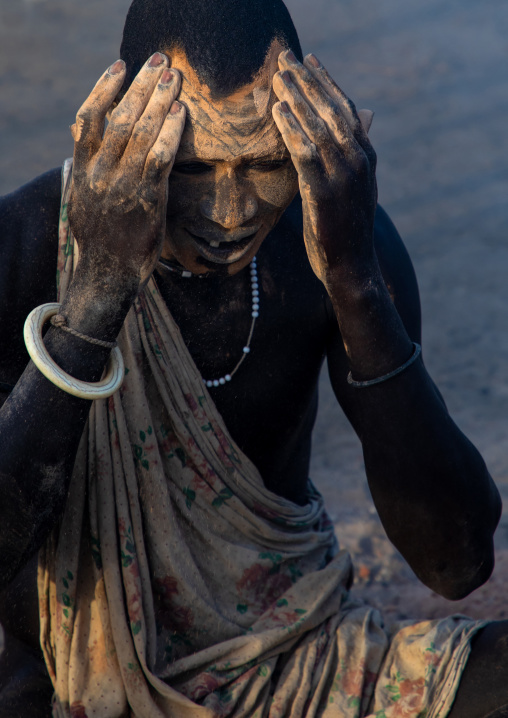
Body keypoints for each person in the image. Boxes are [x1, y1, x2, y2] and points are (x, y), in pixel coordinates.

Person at [0, 0, 507, 715]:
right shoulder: (23, 248)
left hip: (296, 654)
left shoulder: (331, 234)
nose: (231, 212)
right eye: (194, 168)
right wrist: (94, 299)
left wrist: (356, 283)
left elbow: (458, 564)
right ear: (120, 128)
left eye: (266, 163)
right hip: (79, 683)